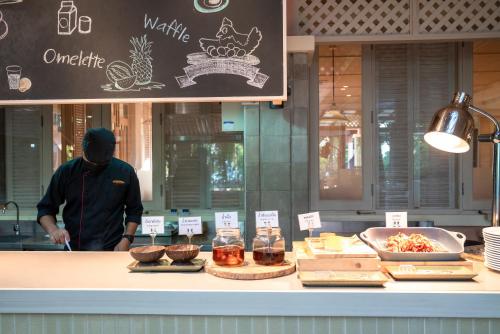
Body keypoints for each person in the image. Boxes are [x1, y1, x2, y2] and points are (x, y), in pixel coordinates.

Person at [37, 128, 143, 251]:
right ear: (83, 150)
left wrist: (127, 239)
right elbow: (45, 209)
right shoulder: (67, 171)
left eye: (101, 165)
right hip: (75, 250)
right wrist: (54, 230)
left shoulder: (125, 172)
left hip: (112, 250)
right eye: (91, 163)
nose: (96, 167)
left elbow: (134, 210)